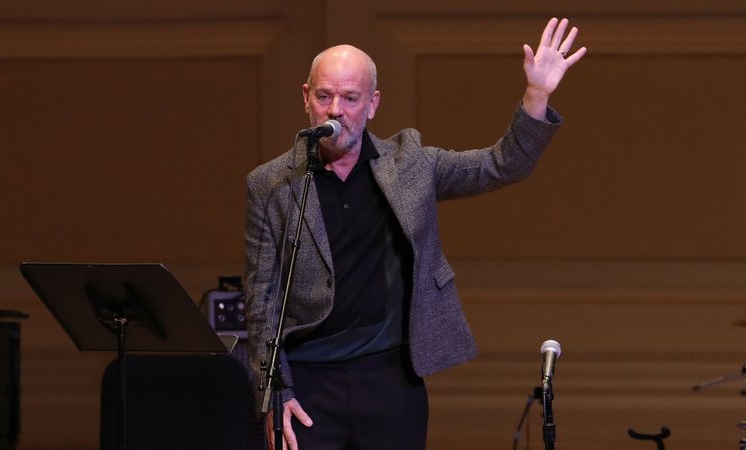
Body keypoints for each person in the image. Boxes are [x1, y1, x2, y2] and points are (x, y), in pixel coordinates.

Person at [245, 17, 586, 450]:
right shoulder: (272, 183)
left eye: (350, 98)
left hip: (390, 379)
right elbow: (262, 300)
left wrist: (537, 94)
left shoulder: (410, 165)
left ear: (372, 104)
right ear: (306, 98)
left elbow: (502, 164)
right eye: (325, 96)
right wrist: (276, 392)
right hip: (309, 384)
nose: (336, 110)